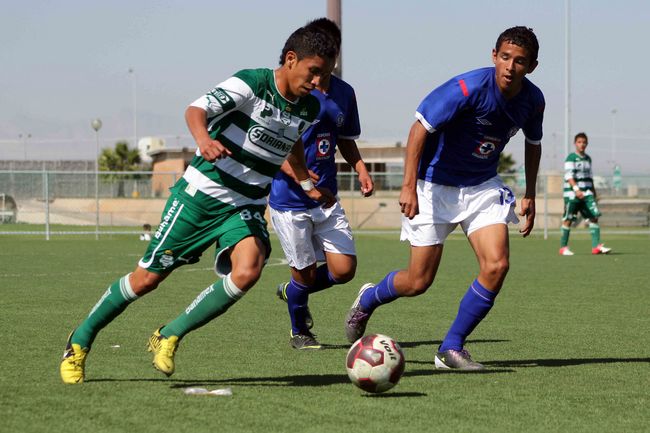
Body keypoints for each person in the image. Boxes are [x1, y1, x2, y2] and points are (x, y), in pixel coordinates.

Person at [59, 24, 338, 384]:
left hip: (247, 204)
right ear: (290, 59)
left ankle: (169, 334)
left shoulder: (309, 106)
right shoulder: (252, 83)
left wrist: (307, 185)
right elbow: (195, 109)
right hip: (201, 197)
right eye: (314, 71)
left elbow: (292, 141)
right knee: (146, 280)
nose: (318, 81)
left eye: (324, 75)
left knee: (248, 270)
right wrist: (204, 139)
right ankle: (79, 341)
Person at [344, 26, 545, 370]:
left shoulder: (534, 100)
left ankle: (451, 348)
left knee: (496, 265)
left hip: (482, 186)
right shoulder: (466, 88)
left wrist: (530, 193)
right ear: (494, 56)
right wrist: (408, 186)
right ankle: (369, 297)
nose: (511, 67)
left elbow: (533, 143)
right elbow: (419, 129)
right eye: (505, 57)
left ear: (532, 66)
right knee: (418, 281)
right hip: (433, 186)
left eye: (520, 61)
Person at [269, 18, 374, 350]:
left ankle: (293, 292)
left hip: (326, 195)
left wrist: (360, 167)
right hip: (290, 200)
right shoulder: (293, 90)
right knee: (303, 272)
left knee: (344, 270)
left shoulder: (344, 93)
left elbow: (344, 138)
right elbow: (273, 143)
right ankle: (299, 330)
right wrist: (298, 177)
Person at [559, 132, 611, 256]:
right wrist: (576, 189)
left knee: (594, 217)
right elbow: (569, 176)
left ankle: (596, 247)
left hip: (587, 194)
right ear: (575, 143)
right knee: (568, 220)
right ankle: (563, 248)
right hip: (572, 195)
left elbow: (590, 177)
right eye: (579, 142)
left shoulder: (588, 159)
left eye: (584, 142)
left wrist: (594, 192)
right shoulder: (571, 158)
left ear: (587, 144)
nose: (582, 144)